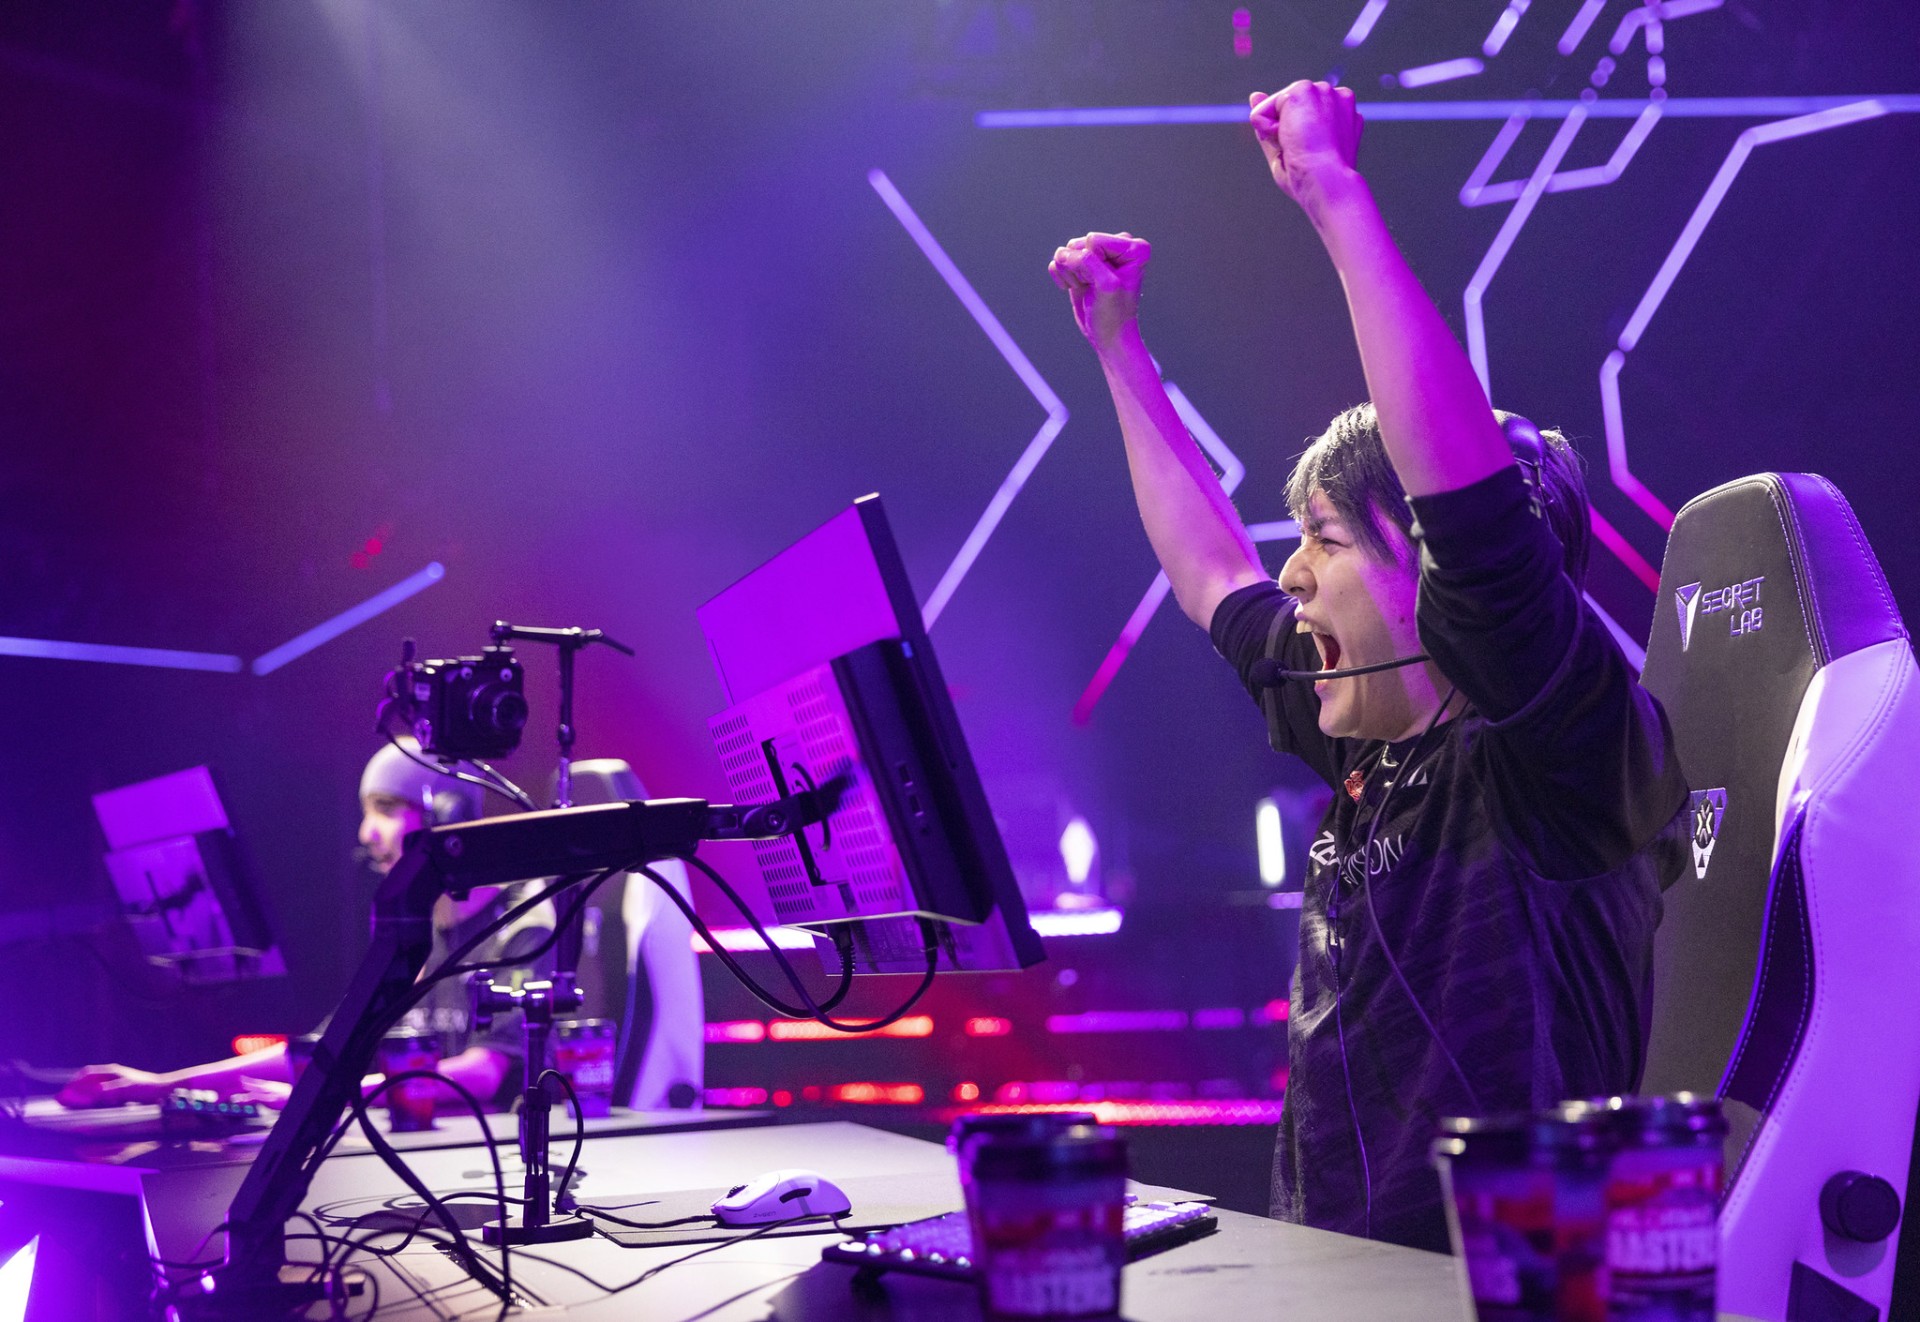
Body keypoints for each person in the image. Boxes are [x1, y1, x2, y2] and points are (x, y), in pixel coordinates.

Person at [1048, 81, 1688, 1250]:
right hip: (1335, 1277)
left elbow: (1473, 518)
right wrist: (1116, 344)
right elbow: (1213, 569)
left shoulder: (1560, 746)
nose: (1293, 576)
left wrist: (1335, 198)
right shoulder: (1365, 729)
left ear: (1434, 573)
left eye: (1328, 540)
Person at [57, 739, 554, 1111]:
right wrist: (162, 1085)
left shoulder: (523, 920)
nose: (366, 833)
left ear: (446, 816)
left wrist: (327, 1099)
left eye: (385, 810)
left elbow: (483, 1073)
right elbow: (322, 1052)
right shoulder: (417, 932)